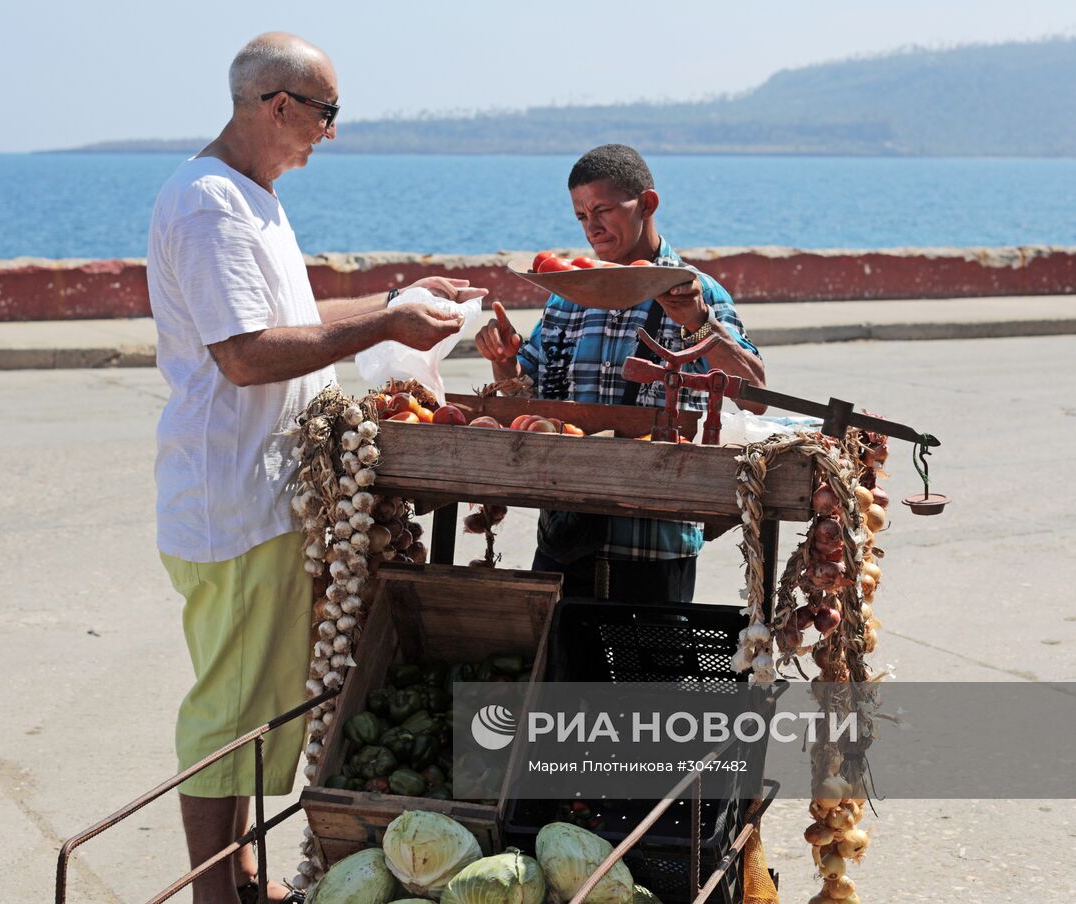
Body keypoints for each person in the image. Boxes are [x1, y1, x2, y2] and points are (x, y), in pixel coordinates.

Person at [147, 32, 487, 904]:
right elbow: (246, 354)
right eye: (326, 113)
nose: (329, 135)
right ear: (278, 105)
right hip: (236, 499)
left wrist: (394, 300)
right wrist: (382, 329)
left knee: (257, 709)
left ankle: (242, 872)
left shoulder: (252, 197)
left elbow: (291, 315)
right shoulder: (208, 205)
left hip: (264, 494)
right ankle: (213, 893)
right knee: (228, 714)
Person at [474, 143, 766, 604]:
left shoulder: (695, 291)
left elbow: (755, 396)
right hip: (565, 532)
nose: (592, 226)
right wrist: (504, 358)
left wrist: (699, 323)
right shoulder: (566, 294)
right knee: (559, 672)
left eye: (603, 210)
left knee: (646, 677)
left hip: (654, 543)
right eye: (581, 215)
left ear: (647, 204)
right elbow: (525, 397)